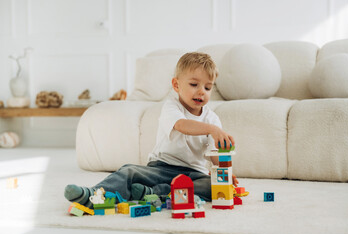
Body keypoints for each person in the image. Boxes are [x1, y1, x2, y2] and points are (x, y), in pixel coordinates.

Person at [64, 52, 237, 208]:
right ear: (176, 85)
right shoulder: (172, 107)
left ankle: (155, 194)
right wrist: (213, 130)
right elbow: (182, 125)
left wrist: (224, 172)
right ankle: (95, 195)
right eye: (194, 84)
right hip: (160, 168)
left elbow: (214, 153)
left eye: (207, 88)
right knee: (128, 171)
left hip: (193, 174)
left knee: (213, 186)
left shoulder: (212, 118)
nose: (201, 92)